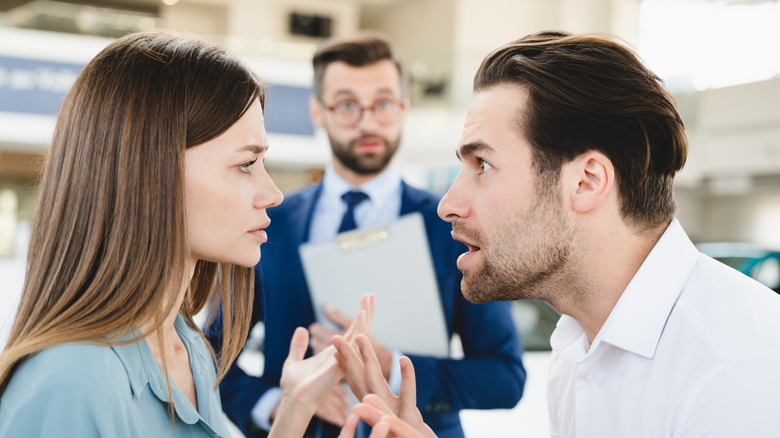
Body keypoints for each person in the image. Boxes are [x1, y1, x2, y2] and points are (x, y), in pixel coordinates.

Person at [333, 30, 780, 437]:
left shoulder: (735, 370)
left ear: (586, 182)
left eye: (482, 165)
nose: (447, 204)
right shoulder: (575, 350)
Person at [0, 31, 376, 438]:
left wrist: (295, 406)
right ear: (150, 173)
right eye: (247, 164)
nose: (273, 194)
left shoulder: (185, 343)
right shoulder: (71, 388)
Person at [211, 31, 526, 438]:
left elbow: (504, 376)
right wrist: (278, 404)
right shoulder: (270, 220)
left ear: (403, 107)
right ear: (317, 111)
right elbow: (210, 351)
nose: (367, 122)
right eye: (346, 105)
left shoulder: (453, 223)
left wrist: (391, 366)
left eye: (382, 104)